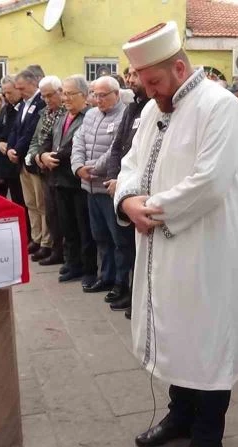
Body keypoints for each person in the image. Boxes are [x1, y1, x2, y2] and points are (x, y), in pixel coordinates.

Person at [115, 22, 238, 447]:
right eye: (143, 83)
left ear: (178, 67)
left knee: (205, 340)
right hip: (158, 245)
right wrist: (127, 201)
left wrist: (151, 210)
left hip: (205, 247)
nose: (149, 91)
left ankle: (208, 436)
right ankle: (180, 415)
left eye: (154, 81)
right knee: (173, 333)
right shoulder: (152, 111)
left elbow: (209, 181)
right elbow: (131, 164)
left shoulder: (221, 106)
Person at [71, 75, 127, 293]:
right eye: (95, 95)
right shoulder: (91, 115)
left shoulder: (124, 115)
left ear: (117, 94)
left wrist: (92, 169)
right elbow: (78, 141)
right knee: (100, 237)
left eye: (103, 95)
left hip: (107, 188)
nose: (98, 99)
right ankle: (105, 276)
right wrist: (78, 166)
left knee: (118, 239)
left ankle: (121, 282)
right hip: (90, 188)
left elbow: (116, 149)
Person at [38, 75, 97, 283]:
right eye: (64, 93)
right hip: (58, 179)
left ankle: (88, 269)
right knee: (67, 226)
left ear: (84, 95)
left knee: (83, 228)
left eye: (71, 94)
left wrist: (52, 157)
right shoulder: (62, 116)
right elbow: (47, 139)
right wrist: (42, 155)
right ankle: (72, 263)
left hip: (76, 181)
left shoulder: (89, 116)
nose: (65, 98)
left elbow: (74, 147)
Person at [101, 65, 149, 316]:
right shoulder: (132, 108)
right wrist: (113, 177)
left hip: (138, 192)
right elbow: (117, 147)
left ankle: (138, 298)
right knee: (123, 245)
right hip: (120, 187)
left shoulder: (153, 108)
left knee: (138, 250)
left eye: (135, 75)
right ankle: (125, 289)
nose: (130, 80)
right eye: (128, 75)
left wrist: (124, 184)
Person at [6, 70, 47, 256]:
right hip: (21, 160)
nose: (20, 92)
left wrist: (18, 150)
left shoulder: (40, 102)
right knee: (30, 202)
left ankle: (46, 241)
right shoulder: (23, 104)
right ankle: (35, 237)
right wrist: (10, 148)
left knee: (41, 203)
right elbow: (15, 129)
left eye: (22, 88)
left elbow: (31, 132)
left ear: (32, 83)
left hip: (32, 160)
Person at [27, 75, 66, 265]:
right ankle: (55, 250)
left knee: (61, 215)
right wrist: (37, 155)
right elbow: (36, 139)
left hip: (59, 168)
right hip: (43, 166)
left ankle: (60, 251)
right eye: (43, 96)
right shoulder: (44, 113)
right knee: (50, 213)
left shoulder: (65, 113)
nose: (47, 99)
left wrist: (47, 156)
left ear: (60, 92)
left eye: (50, 95)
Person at [0, 76, 25, 202]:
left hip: (18, 159)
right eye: (5, 93)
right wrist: (0, 142)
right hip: (6, 162)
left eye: (10, 92)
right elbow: (0, 130)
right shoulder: (6, 109)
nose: (7, 96)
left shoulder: (24, 107)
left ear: (18, 89)